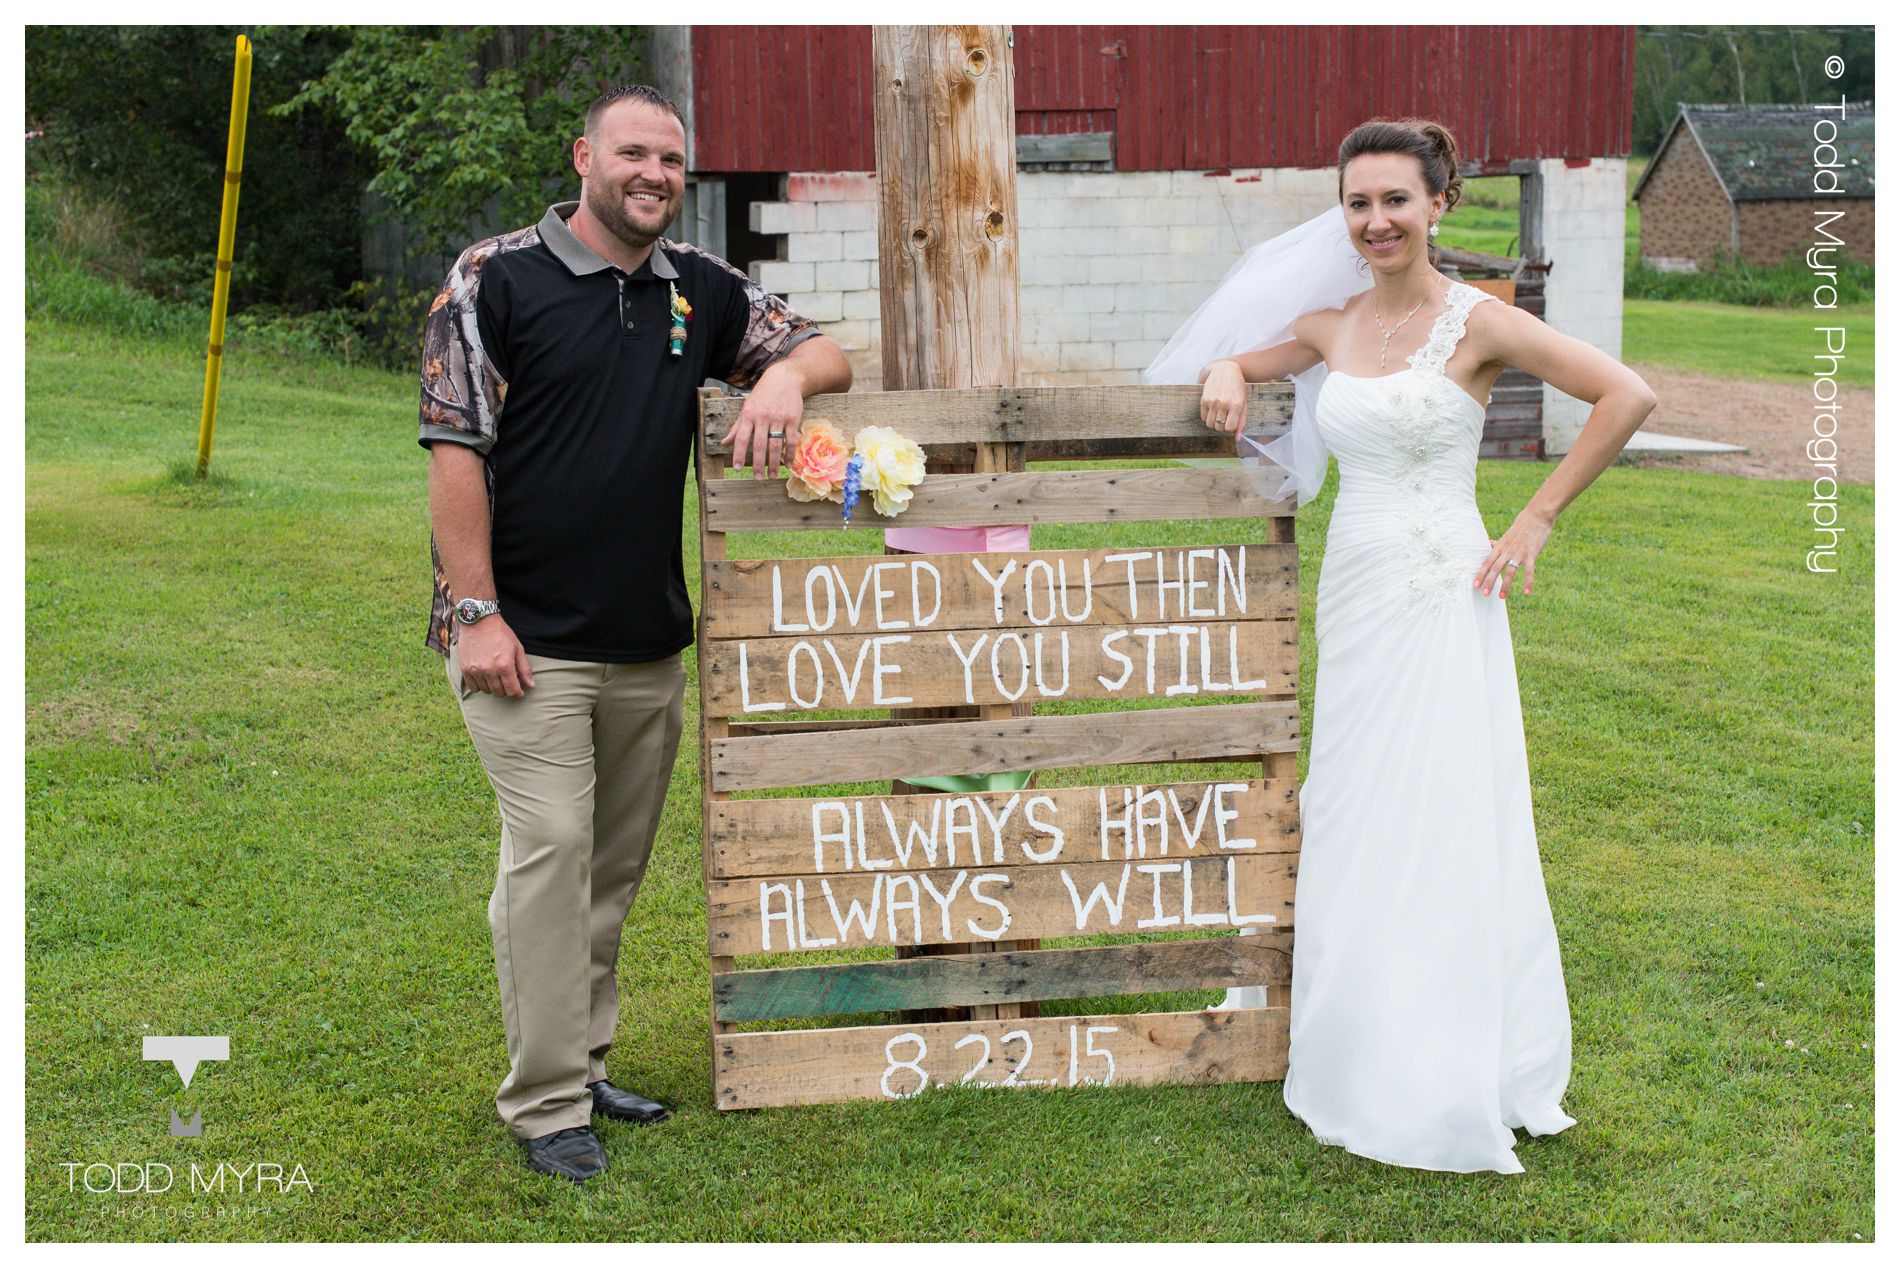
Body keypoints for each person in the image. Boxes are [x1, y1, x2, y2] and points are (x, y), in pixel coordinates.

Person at [1147, 118, 1656, 1174]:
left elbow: (1626, 394)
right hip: (1358, 586)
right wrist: (1230, 369)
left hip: (1442, 582)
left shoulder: (1479, 322)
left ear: (1438, 205)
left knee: (1441, 804)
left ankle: (1445, 1058)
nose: (1375, 221)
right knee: (1352, 801)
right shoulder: (1330, 327)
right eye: (1358, 203)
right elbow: (1237, 356)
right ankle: (1353, 1037)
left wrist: (1537, 517)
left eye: (1394, 200)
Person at [418, 84, 852, 1181]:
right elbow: (453, 450)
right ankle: (546, 1100)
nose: (653, 174)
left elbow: (823, 350)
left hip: (647, 641)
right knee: (551, 854)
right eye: (632, 154)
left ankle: (583, 1057)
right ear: (584, 157)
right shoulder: (493, 277)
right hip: (524, 642)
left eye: (670, 158)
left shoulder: (696, 288)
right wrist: (475, 614)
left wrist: (783, 379)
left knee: (609, 870)